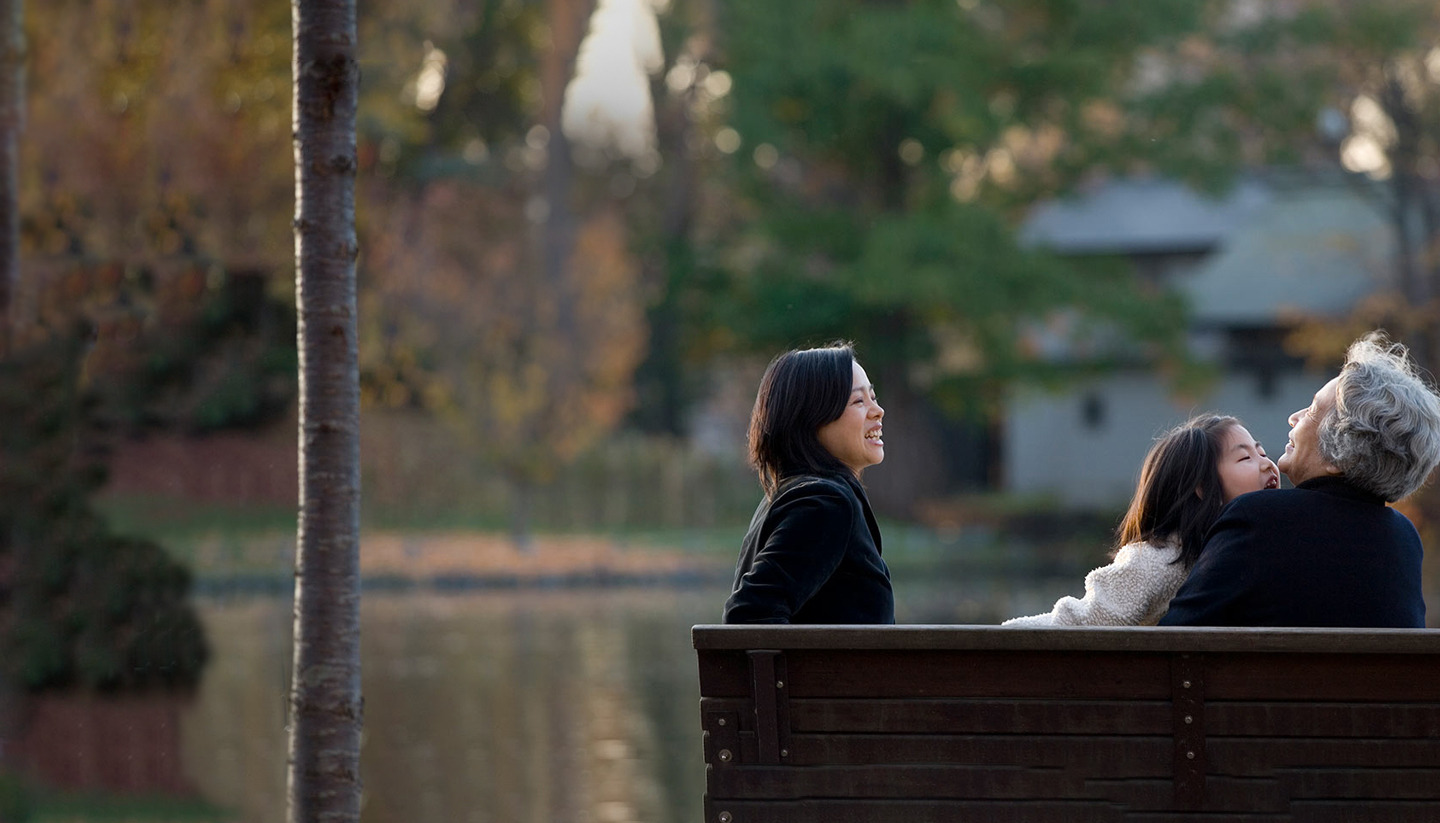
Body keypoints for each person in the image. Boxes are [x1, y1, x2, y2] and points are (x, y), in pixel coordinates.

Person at [1161, 332, 1440, 627]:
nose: (1294, 417)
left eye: (1312, 410)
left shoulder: (1259, 517)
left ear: (1340, 453)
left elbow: (1172, 638)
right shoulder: (1405, 539)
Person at [1004, 414, 1279, 627]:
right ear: (1203, 487)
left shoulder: (1249, 552)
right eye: (1246, 457)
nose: (1267, 463)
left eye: (1263, 453)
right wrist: (1007, 633)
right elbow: (1086, 620)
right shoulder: (1157, 561)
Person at [722, 343, 894, 624]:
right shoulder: (823, 504)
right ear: (812, 418)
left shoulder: (793, 496)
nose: (878, 411)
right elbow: (749, 616)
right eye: (858, 401)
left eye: (872, 397)